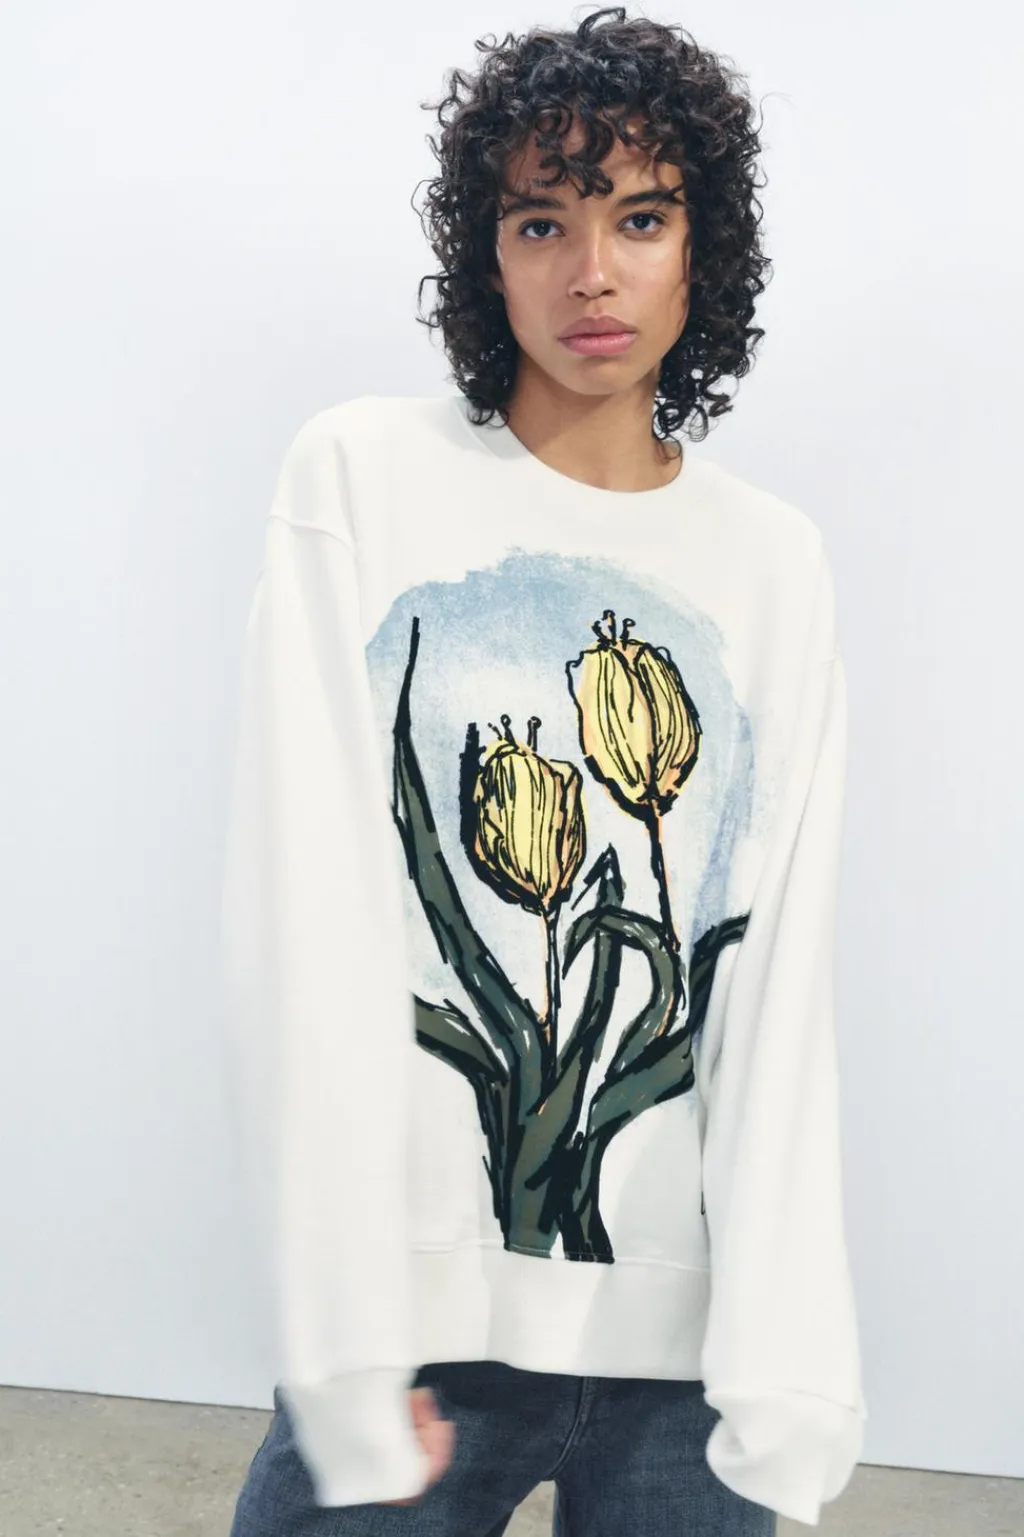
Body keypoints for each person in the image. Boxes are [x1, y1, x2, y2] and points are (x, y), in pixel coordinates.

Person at [219, 8, 867, 1534]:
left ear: (704, 250)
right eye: (540, 222)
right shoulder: (359, 479)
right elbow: (300, 914)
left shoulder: (775, 562)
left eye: (640, 218)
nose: (591, 273)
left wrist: (793, 1371)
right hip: (423, 1344)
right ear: (485, 255)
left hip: (689, 1366)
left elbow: (776, 988)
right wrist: (344, 1335)